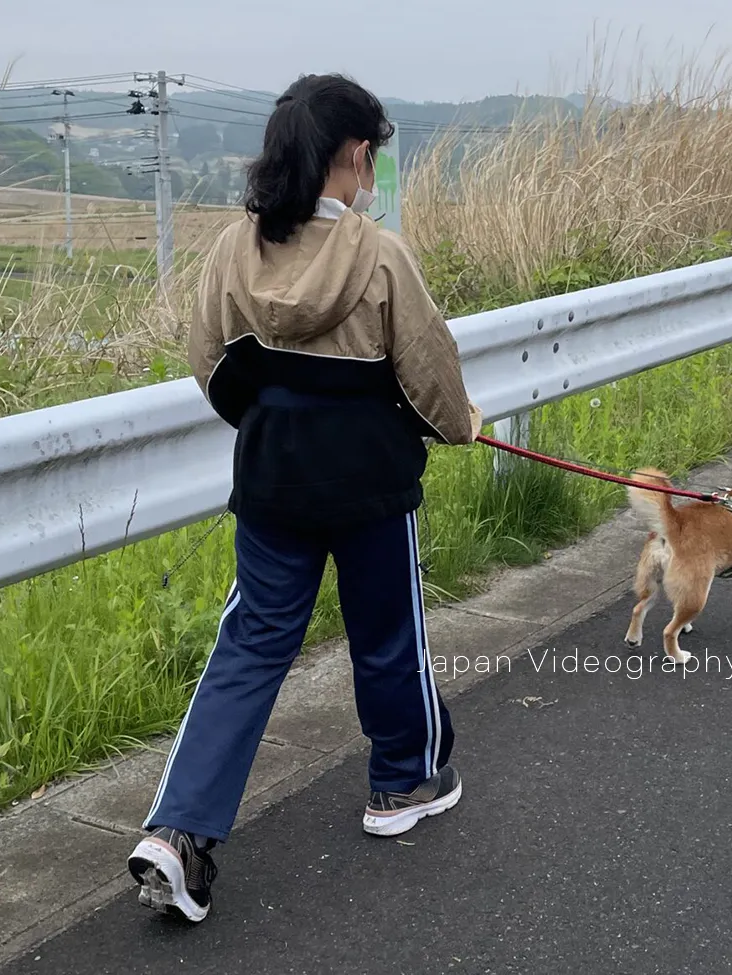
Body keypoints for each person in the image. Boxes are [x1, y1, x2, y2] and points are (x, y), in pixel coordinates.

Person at [125, 73, 482, 924]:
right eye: (371, 158)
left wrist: (268, 419)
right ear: (354, 155)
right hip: (368, 483)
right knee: (387, 629)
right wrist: (460, 425)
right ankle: (401, 783)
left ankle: (178, 833)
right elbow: (429, 372)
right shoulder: (381, 255)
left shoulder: (232, 250)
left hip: (273, 479)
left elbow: (208, 361)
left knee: (250, 645)